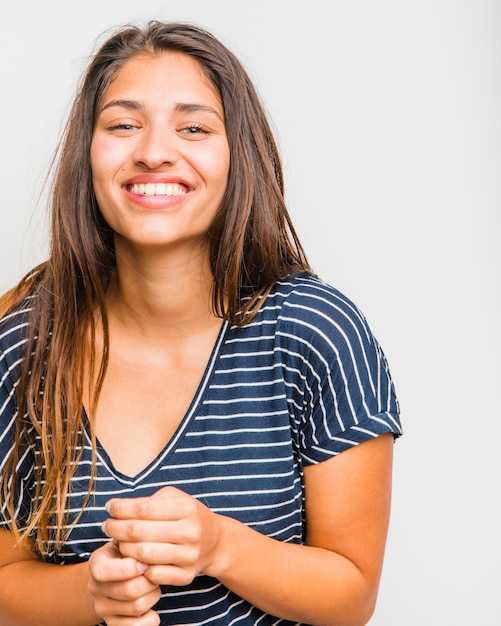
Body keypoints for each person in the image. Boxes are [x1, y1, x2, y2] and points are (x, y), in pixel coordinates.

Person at [0, 20, 402, 626]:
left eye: (194, 127)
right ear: (88, 156)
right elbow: (5, 582)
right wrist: (92, 592)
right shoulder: (23, 342)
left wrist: (221, 546)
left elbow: (352, 595)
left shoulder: (317, 331)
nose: (154, 150)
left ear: (238, 155)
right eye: (123, 124)